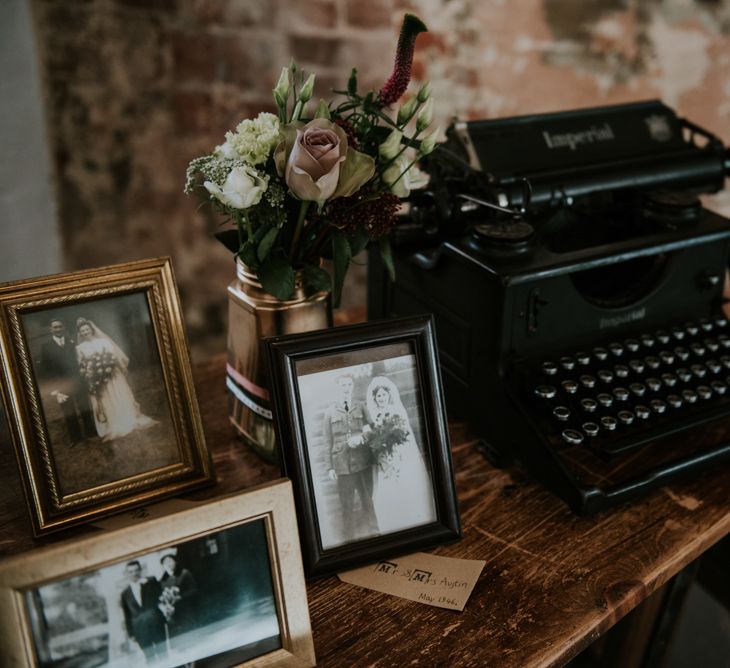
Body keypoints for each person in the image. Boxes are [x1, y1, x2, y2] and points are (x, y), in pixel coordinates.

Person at [365, 376, 437, 534]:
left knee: (405, 480)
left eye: (384, 395)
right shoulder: (374, 415)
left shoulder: (397, 410)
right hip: (384, 456)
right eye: (378, 396)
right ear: (375, 399)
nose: (382, 398)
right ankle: (393, 521)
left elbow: (405, 434)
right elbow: (373, 438)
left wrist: (398, 449)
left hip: (400, 453)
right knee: (388, 484)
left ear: (388, 395)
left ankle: (412, 517)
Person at [75, 318, 155, 441]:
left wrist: (108, 367)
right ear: (80, 333)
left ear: (91, 329)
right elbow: (82, 364)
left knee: (118, 395)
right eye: (82, 331)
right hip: (97, 379)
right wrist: (91, 374)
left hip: (112, 375)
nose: (85, 332)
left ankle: (127, 418)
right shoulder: (80, 348)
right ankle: (112, 422)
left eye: (87, 329)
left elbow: (113, 357)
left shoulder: (103, 342)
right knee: (106, 398)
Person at [322, 374, 379, 543]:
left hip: (362, 462)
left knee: (367, 500)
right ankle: (349, 539)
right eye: (342, 385)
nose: (346, 388)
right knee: (346, 505)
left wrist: (362, 438)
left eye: (348, 384)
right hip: (342, 466)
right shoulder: (330, 412)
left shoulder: (361, 407)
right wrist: (329, 467)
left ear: (353, 386)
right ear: (337, 388)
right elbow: (327, 442)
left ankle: (374, 534)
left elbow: (372, 430)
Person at [37, 319, 97, 446]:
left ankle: (91, 432)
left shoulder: (72, 342)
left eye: (60, 327)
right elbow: (45, 369)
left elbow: (79, 360)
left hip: (77, 380)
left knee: (84, 406)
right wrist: (55, 390)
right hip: (61, 384)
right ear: (51, 329)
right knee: (68, 411)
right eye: (55, 327)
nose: (58, 329)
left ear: (63, 328)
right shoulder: (46, 347)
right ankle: (76, 437)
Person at [120, 560, 167, 664]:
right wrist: (131, 633)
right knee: (150, 658)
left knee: (163, 654)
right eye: (131, 571)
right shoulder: (125, 593)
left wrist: (165, 615)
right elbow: (127, 615)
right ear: (127, 574)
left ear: (141, 570)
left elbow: (162, 598)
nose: (134, 574)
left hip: (156, 623)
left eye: (136, 570)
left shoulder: (151, 582)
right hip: (140, 629)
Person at [158, 554, 197, 651]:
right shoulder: (162, 581)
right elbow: (161, 597)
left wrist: (181, 597)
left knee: (190, 635)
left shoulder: (184, 573)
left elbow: (194, 590)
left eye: (170, 561)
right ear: (162, 565)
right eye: (165, 563)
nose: (168, 564)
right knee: (178, 638)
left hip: (186, 609)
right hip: (173, 613)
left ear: (175, 562)